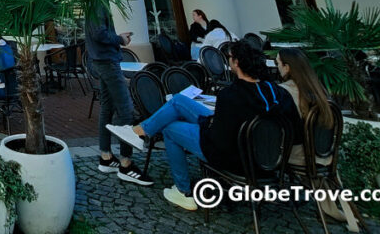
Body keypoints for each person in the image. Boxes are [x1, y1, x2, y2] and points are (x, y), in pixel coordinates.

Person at [107, 40, 302, 211]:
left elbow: (219, 141)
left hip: (235, 159)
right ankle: (138, 132)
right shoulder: (279, 93)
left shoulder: (231, 96)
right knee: (179, 102)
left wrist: (205, 123)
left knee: (170, 128)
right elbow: (296, 132)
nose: (228, 60)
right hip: (270, 161)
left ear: (236, 63)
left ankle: (183, 191)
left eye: (230, 57)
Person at [84, 0, 153, 186]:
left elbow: (98, 33)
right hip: (107, 62)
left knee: (106, 109)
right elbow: (99, 33)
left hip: (102, 60)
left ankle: (105, 156)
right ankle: (126, 163)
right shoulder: (98, 4)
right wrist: (119, 39)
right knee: (126, 111)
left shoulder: (93, 4)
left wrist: (117, 37)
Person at [277, 49, 352, 225]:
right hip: (324, 154)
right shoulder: (319, 90)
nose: (277, 67)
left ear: (287, 68)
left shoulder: (285, 92)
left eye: (278, 63)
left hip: (299, 156)